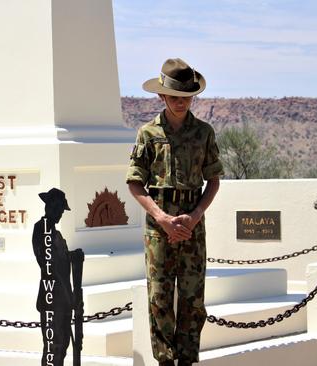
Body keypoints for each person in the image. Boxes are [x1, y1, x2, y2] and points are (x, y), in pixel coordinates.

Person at [126, 58, 224, 366]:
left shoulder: (204, 132)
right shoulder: (148, 134)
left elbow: (214, 181)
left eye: (186, 98)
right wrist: (163, 219)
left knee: (193, 298)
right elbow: (135, 184)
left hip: (193, 226)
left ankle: (186, 360)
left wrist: (194, 217)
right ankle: (165, 360)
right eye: (174, 98)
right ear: (161, 97)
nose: (180, 103)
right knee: (160, 298)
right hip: (159, 227)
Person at [32, 188, 82, 366]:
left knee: (62, 347)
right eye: (59, 209)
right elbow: (48, 264)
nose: (61, 213)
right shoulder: (42, 229)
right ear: (51, 206)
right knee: (53, 348)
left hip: (64, 300)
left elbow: (62, 259)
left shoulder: (57, 234)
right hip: (52, 298)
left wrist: (73, 256)